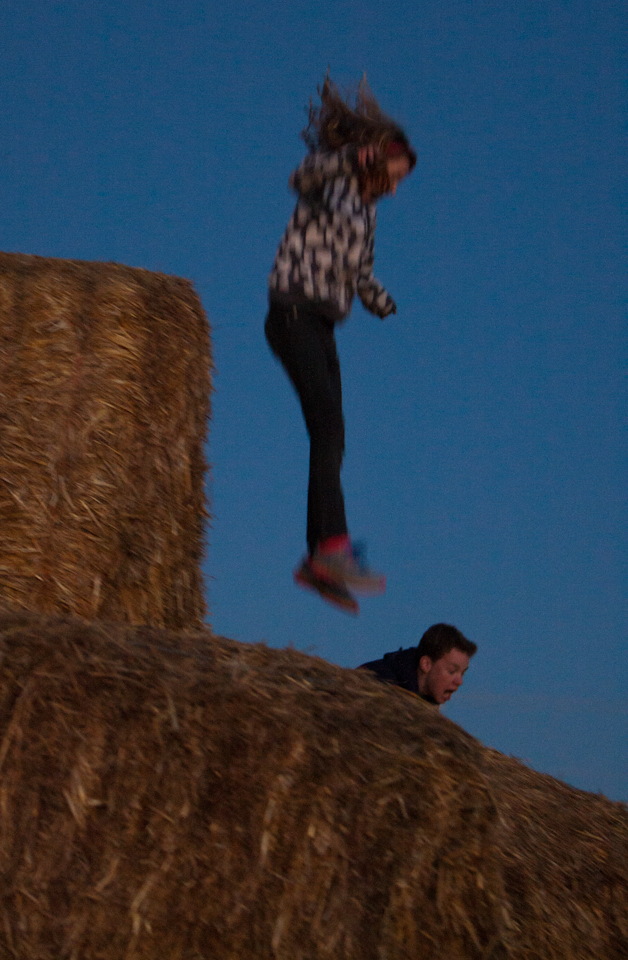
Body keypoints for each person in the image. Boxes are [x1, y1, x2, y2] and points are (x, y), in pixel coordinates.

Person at [265, 76, 416, 614]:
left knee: (334, 434)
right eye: (394, 178)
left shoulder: (368, 212)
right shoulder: (332, 179)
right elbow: (300, 174)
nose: (394, 190)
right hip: (291, 312)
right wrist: (352, 157)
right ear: (376, 160)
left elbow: (361, 270)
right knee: (327, 425)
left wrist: (380, 300)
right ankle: (329, 547)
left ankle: (319, 558)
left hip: (322, 323)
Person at [359, 623, 477, 706]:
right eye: (451, 671)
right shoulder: (378, 684)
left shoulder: (425, 702)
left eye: (463, 673)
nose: (460, 681)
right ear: (426, 664)